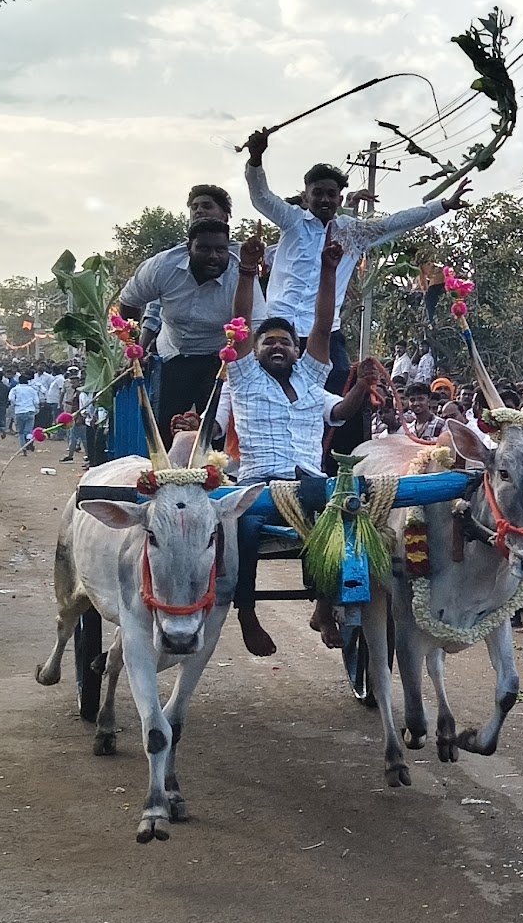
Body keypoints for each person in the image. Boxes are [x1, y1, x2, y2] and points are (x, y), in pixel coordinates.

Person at [221, 237, 376, 652]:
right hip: (257, 486)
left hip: (310, 485)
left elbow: (322, 327)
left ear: (297, 351)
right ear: (252, 351)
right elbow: (238, 320)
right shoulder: (244, 377)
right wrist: (247, 272)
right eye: (267, 341)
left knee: (345, 521)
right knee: (246, 528)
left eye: (285, 342)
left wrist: (329, 271)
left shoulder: (310, 379)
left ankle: (324, 607)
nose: (277, 345)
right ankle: (248, 613)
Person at [241, 128, 468, 386]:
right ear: (306, 196)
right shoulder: (292, 220)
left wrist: (443, 206)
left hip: (325, 329)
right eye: (318, 193)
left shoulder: (353, 232)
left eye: (330, 194)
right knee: (268, 385)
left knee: (338, 380)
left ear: (339, 198)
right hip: (280, 325)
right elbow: (261, 197)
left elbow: (396, 222)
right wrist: (256, 158)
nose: (324, 199)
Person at [117, 217, 239, 429]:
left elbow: (253, 325)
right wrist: (133, 348)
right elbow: (129, 302)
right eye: (204, 248)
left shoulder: (240, 274)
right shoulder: (161, 267)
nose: (213, 257)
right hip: (173, 356)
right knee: (166, 427)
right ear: (188, 248)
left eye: (221, 250)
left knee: (213, 431)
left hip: (219, 359)